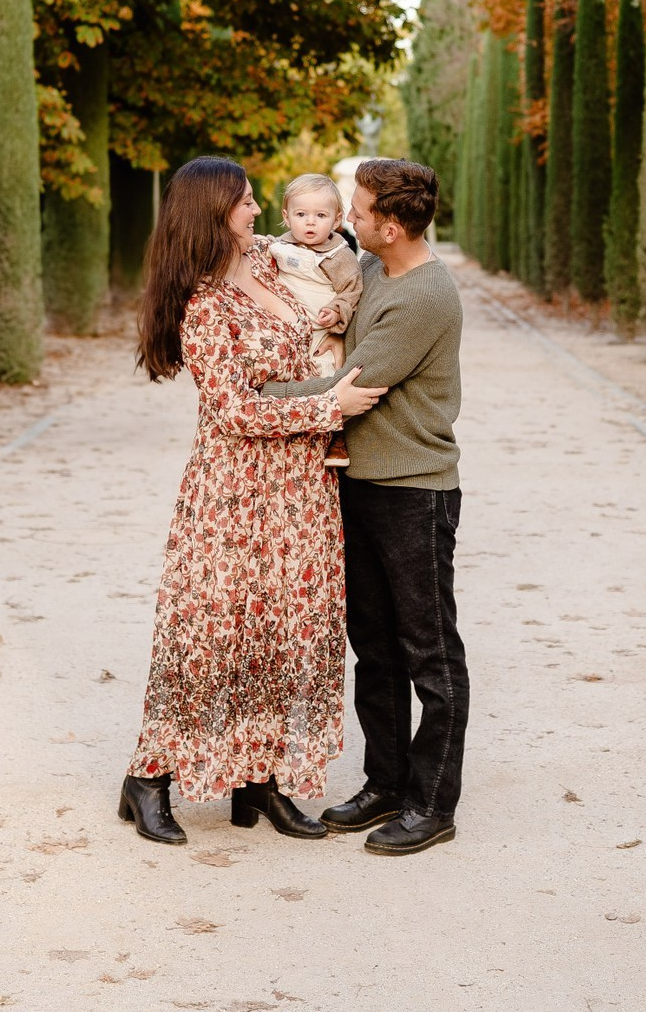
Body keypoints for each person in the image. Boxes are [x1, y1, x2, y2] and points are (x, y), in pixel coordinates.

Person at [120, 156, 385, 848]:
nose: (258, 210)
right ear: (214, 212)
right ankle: (148, 777)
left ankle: (258, 779)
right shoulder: (202, 302)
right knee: (207, 631)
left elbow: (335, 255)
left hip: (299, 486)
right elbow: (233, 409)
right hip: (233, 490)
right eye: (244, 202)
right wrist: (330, 406)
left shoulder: (268, 262)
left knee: (283, 630)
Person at [263, 158, 467, 856]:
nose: (346, 217)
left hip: (414, 490)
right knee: (374, 648)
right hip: (359, 481)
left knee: (428, 652)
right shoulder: (372, 267)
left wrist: (258, 396)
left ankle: (432, 803)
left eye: (358, 208)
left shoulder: (425, 296)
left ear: (392, 224)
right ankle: (386, 782)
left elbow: (353, 384)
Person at [267, 172, 364, 468]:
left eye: (320, 215)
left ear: (336, 220)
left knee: (327, 376)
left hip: (321, 329)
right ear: (286, 217)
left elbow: (352, 289)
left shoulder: (339, 255)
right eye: (301, 214)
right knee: (287, 379)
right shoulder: (276, 248)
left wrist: (336, 311)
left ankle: (336, 437)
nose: (310, 223)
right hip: (287, 329)